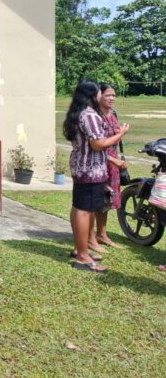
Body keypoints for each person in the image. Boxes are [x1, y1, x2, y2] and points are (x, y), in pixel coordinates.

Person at [63, 80, 129, 273]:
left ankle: (80, 248)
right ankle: (83, 256)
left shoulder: (78, 114)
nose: (103, 96)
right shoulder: (90, 115)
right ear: (93, 95)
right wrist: (121, 134)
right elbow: (98, 144)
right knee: (85, 210)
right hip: (91, 170)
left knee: (79, 208)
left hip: (81, 167)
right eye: (100, 93)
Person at [90, 83, 127, 250]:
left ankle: (102, 234)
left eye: (114, 95)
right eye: (108, 95)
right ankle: (91, 237)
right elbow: (96, 145)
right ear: (99, 96)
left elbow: (114, 140)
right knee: (95, 201)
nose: (112, 98)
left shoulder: (113, 114)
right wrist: (114, 160)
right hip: (99, 163)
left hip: (112, 163)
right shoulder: (95, 116)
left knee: (107, 200)